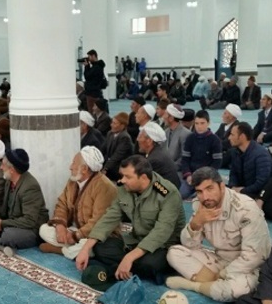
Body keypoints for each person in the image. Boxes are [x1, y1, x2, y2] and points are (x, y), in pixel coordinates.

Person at [166, 167, 272, 302]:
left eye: (209, 189)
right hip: (220, 259)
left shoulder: (245, 208)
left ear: (221, 186)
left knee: (236, 290)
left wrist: (223, 274)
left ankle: (195, 286)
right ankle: (213, 287)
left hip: (249, 267)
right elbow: (190, 245)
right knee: (174, 253)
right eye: (199, 191)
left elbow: (254, 257)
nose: (205, 197)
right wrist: (195, 224)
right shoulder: (201, 204)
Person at [75, 155, 186, 285]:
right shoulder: (124, 188)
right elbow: (109, 218)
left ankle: (123, 267)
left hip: (164, 245)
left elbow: (161, 232)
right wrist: (86, 248)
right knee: (100, 247)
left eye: (128, 177)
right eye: (122, 175)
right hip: (137, 239)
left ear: (143, 177)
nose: (122, 180)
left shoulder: (168, 193)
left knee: (150, 264)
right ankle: (129, 268)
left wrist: (129, 257)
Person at [39, 147, 118, 259]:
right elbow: (62, 204)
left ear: (84, 169)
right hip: (75, 230)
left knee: (90, 246)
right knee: (43, 229)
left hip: (95, 235)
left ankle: (62, 250)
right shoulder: (73, 181)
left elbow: (99, 221)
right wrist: (60, 226)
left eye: (74, 163)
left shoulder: (105, 187)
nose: (70, 167)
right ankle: (72, 248)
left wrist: (76, 236)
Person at [0, 149, 50, 257]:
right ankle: (0, 246)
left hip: (31, 229)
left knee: (8, 235)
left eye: (3, 165)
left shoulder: (30, 187)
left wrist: (2, 224)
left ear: (12, 169)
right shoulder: (9, 180)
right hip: (11, 223)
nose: (1, 167)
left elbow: (29, 221)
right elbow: (5, 210)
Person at [179, 111, 223, 198]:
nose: (199, 126)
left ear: (208, 123)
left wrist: (206, 176)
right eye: (197, 123)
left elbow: (217, 162)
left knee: (201, 197)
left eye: (202, 123)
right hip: (192, 176)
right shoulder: (190, 138)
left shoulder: (215, 140)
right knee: (181, 194)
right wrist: (188, 175)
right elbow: (185, 159)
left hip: (207, 177)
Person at [228, 122, 272, 197]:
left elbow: (262, 182)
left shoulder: (261, 155)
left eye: (232, 135)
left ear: (242, 136)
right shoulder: (235, 152)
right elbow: (233, 174)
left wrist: (243, 190)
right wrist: (233, 187)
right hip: (243, 193)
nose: (229, 138)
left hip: (262, 197)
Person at [138, 122, 180, 188]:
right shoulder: (157, 153)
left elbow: (150, 184)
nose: (138, 139)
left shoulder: (154, 160)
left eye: (140, 137)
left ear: (149, 141)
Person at [102, 112, 133, 182]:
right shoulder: (110, 133)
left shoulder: (125, 138)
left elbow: (116, 156)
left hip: (119, 169)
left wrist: (105, 168)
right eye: (112, 122)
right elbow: (103, 149)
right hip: (110, 165)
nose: (111, 125)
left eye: (114, 123)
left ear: (122, 126)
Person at [161, 103, 191, 168]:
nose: (163, 117)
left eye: (165, 114)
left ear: (171, 118)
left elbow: (183, 158)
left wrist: (170, 168)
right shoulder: (165, 132)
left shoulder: (186, 134)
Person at [215, 104, 240, 169]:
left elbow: (228, 143)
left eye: (225, 113)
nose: (222, 115)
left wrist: (215, 145)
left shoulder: (237, 127)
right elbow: (214, 137)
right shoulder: (222, 126)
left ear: (231, 116)